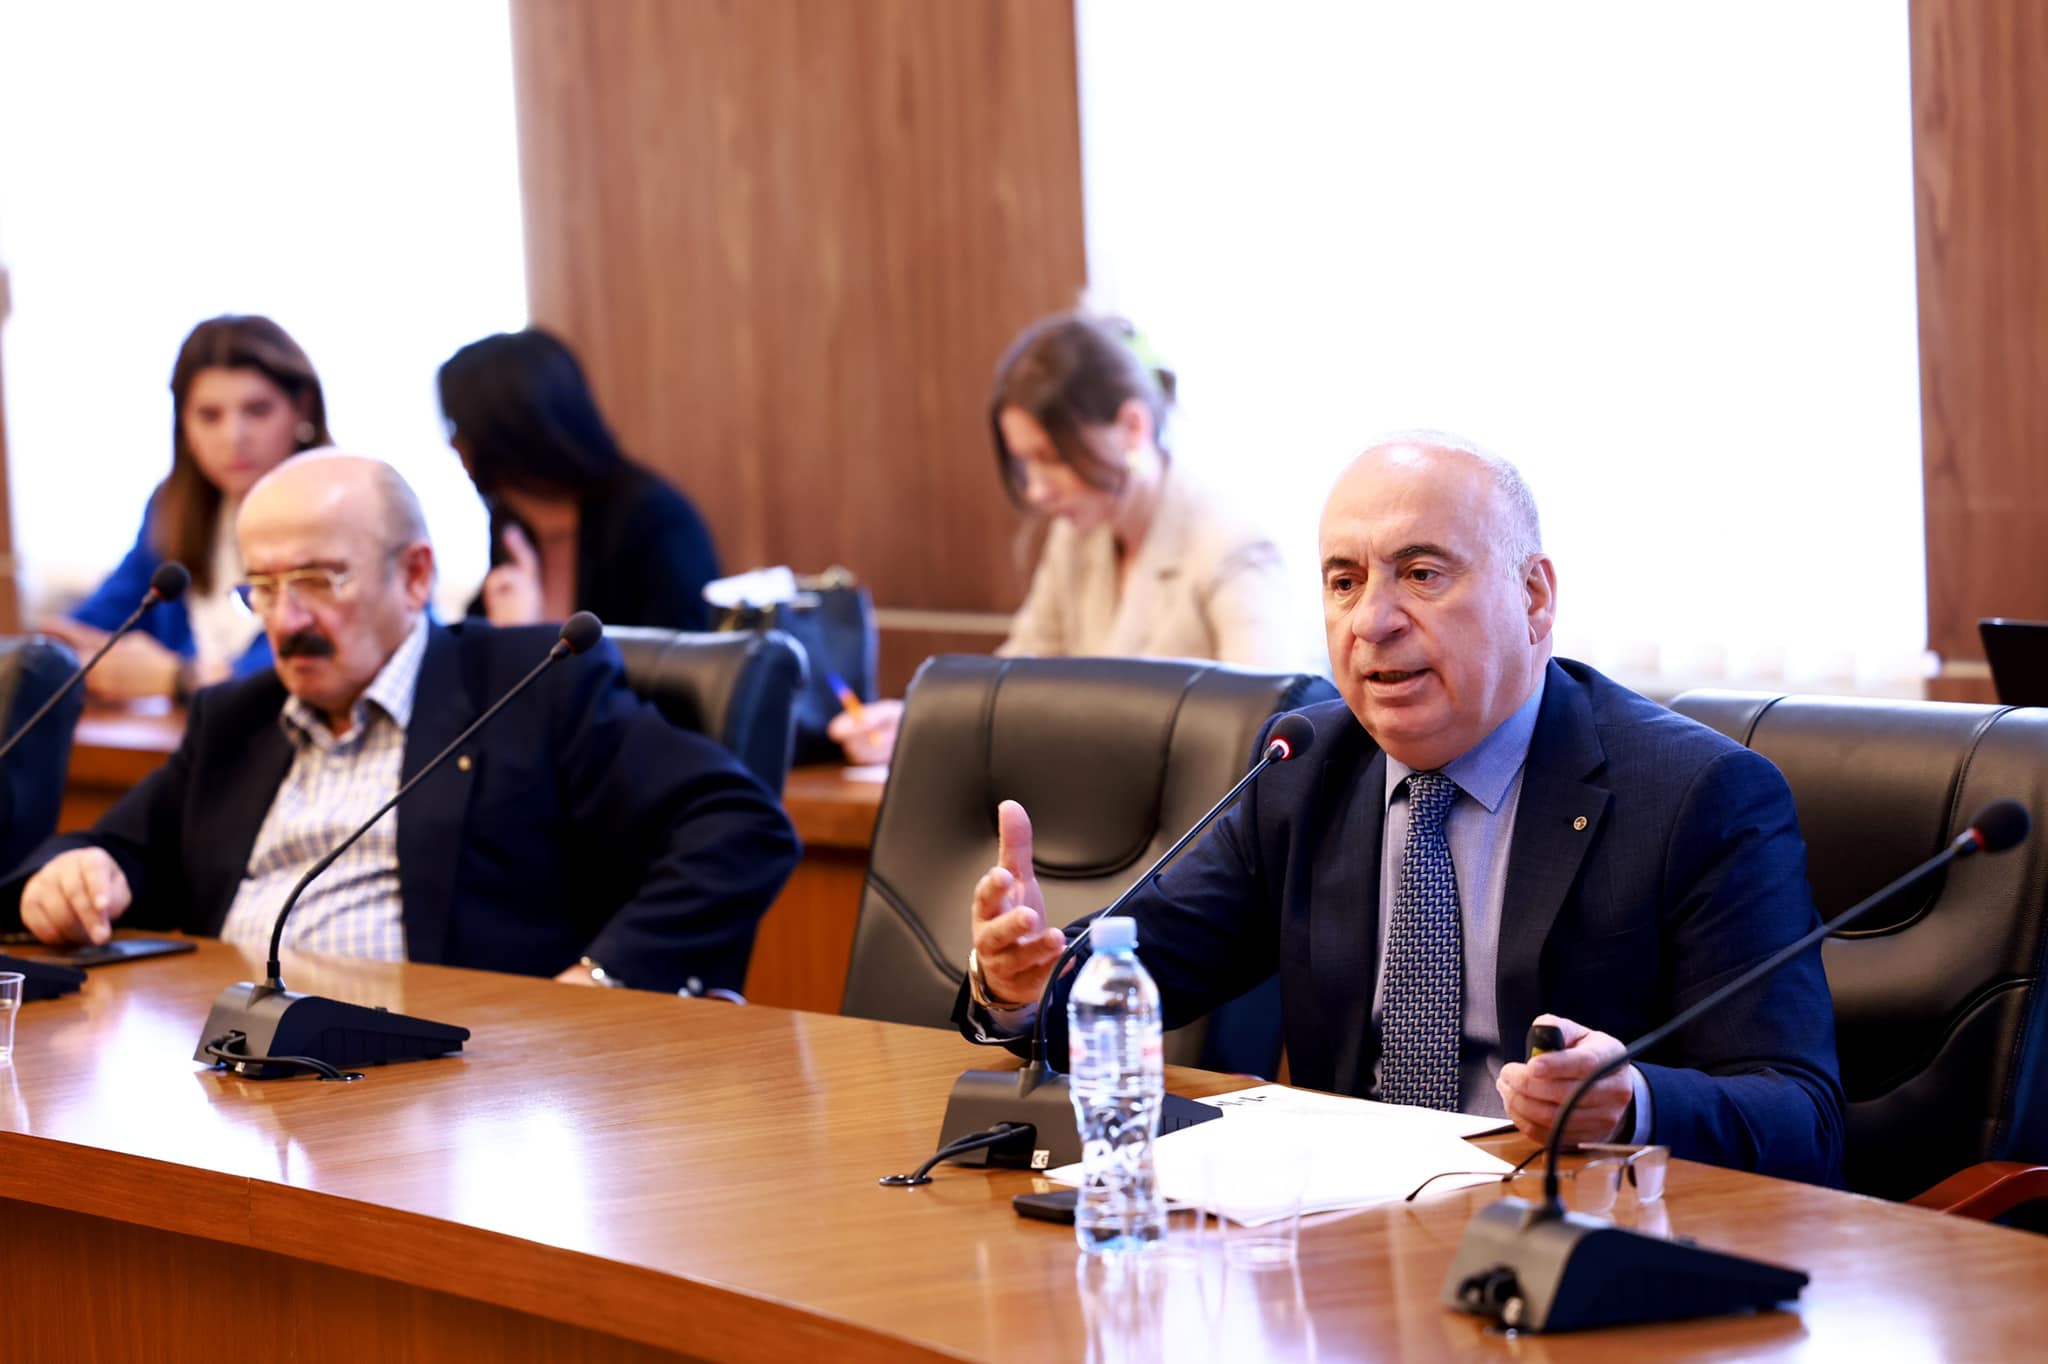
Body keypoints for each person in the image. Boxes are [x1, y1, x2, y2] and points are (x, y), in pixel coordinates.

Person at [956, 433, 1845, 1184]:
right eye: (1344, 582)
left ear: (1534, 597)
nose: (1371, 621)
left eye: (1421, 575)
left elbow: (1802, 1116)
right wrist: (1024, 988)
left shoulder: (1694, 796)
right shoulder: (1304, 768)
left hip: (1567, 1242)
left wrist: (1632, 1103)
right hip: (1346, 1236)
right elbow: (1127, 982)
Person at [3, 452, 797, 993]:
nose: (287, 620)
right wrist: (72, 874)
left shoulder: (529, 685)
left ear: (416, 575)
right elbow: (116, 851)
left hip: (453, 1098)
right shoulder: (237, 719)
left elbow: (740, 827)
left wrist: (600, 980)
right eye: (263, 590)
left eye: (317, 580)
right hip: (231, 1070)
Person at [828, 311, 1299, 764]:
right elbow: (1014, 682)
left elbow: (1265, 727)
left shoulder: (1231, 546)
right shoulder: (1077, 537)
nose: (1036, 490)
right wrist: (916, 725)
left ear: (1132, 427)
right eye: (1025, 463)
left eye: (1051, 458)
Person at [41, 315, 331, 701]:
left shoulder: (347, 512)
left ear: (303, 409)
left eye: (257, 410)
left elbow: (326, 661)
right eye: (209, 415)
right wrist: (54, 650)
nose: (233, 436)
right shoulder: (171, 509)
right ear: (183, 425)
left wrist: (180, 679)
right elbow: (102, 621)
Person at [438, 328, 721, 633]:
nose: (453, 444)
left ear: (507, 434)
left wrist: (525, 639)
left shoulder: (653, 520)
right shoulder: (512, 524)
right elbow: (475, 632)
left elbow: (676, 656)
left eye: (459, 427)